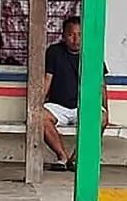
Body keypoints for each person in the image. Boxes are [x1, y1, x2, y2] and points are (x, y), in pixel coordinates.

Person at [42, 15, 109, 170]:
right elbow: (47, 80)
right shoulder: (54, 52)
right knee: (39, 117)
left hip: (84, 106)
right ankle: (62, 156)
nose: (76, 39)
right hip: (59, 106)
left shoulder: (93, 53)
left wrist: (107, 112)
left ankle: (77, 158)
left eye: (79, 34)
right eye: (71, 34)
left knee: (101, 117)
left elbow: (101, 86)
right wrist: (37, 105)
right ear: (63, 35)